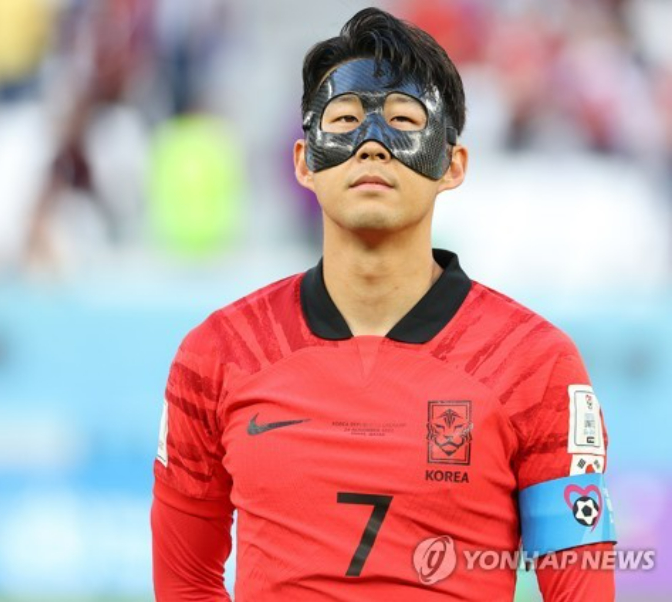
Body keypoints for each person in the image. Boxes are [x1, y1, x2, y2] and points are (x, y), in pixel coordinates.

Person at [151, 8, 616, 601]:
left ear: (452, 164)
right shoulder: (218, 354)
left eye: (403, 120)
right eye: (345, 120)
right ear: (304, 162)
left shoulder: (536, 364)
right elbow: (185, 583)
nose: (372, 145)